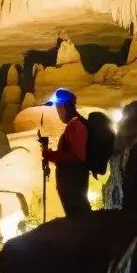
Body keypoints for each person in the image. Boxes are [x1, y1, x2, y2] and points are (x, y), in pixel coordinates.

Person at [43, 88, 91, 217]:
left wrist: (52, 156)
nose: (58, 113)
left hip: (74, 183)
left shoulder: (75, 125)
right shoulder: (72, 125)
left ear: (64, 107)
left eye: (58, 109)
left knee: (78, 217)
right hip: (71, 183)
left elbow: (77, 157)